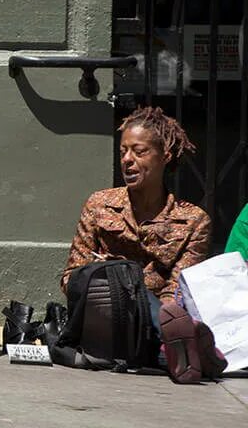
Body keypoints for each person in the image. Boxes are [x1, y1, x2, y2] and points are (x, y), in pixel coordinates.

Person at [61, 106, 223, 383]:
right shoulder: (99, 205)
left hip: (150, 329)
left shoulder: (194, 221)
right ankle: (192, 348)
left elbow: (177, 291)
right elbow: (71, 278)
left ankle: (173, 347)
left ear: (165, 156)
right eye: (123, 151)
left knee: (163, 337)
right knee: (120, 277)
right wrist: (116, 276)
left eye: (139, 151)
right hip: (103, 317)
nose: (127, 160)